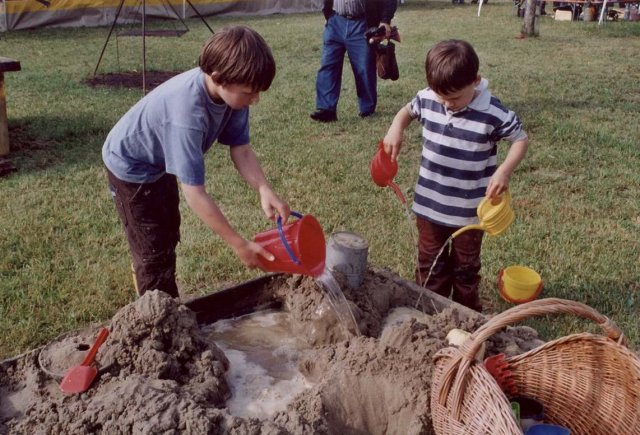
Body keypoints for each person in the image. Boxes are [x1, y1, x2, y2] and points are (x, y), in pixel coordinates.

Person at [102, 26, 290, 298]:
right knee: (152, 249)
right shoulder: (187, 116)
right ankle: (157, 317)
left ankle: (160, 285)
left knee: (167, 229)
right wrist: (239, 244)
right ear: (218, 77)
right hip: (131, 165)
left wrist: (264, 188)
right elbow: (195, 194)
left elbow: (241, 149)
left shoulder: (233, 96)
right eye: (250, 92)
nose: (256, 100)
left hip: (159, 159)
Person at [382, 39, 529, 311]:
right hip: (429, 205)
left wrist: (504, 171)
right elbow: (407, 111)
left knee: (465, 268)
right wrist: (396, 127)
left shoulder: (492, 112)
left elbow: (520, 139)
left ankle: (466, 315)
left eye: (455, 98)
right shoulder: (428, 98)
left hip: (469, 213)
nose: (448, 104)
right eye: (442, 97)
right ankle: (428, 312)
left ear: (476, 81)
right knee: (429, 264)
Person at [310, 0, 397, 122]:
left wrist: (385, 20)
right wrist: (328, 13)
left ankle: (367, 110)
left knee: (364, 67)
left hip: (362, 23)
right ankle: (326, 109)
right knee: (328, 65)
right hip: (335, 20)